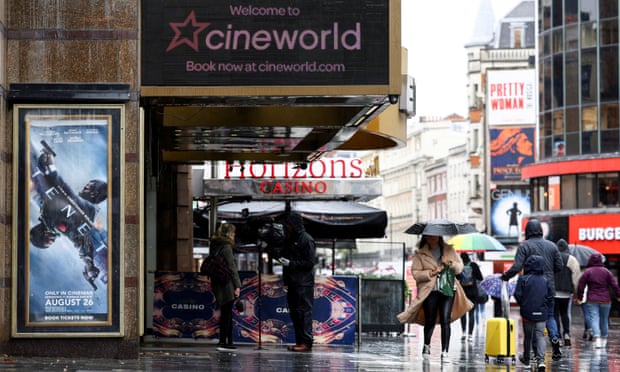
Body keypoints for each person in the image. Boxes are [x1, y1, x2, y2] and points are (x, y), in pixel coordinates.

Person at [30, 143, 109, 289]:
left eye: (89, 187)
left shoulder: (57, 220)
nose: (86, 187)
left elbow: (81, 238)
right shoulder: (50, 213)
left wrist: (89, 262)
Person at [396, 234, 473, 359]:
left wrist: (450, 264)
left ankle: (445, 351)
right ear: (425, 238)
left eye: (434, 236)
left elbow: (459, 268)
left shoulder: (449, 249)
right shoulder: (420, 253)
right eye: (429, 237)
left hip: (448, 287)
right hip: (430, 290)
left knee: (445, 319)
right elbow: (416, 273)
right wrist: (431, 273)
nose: (432, 238)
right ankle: (426, 345)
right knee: (430, 320)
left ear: (439, 236)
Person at [501, 218, 563, 360]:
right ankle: (554, 338)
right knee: (550, 316)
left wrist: (505, 276)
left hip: (531, 288)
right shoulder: (552, 246)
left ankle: (535, 354)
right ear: (541, 230)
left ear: (528, 231)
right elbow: (559, 267)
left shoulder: (524, 246)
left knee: (533, 320)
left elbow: (517, 267)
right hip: (549, 287)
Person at [278, 212, 316, 352]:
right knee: (295, 313)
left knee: (303, 313)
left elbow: (310, 263)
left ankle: (306, 342)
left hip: (303, 284)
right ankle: (300, 341)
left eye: (288, 224)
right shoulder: (291, 238)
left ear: (293, 224)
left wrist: (291, 263)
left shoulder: (306, 239)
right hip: (294, 282)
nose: (286, 227)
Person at [514, 255, 553, 371]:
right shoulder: (545, 279)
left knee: (528, 336)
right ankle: (541, 361)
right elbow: (550, 296)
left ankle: (526, 357)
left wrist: (524, 304)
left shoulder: (523, 279)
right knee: (540, 335)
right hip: (542, 312)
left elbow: (517, 294)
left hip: (527, 312)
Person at [208, 223, 241, 351]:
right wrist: (237, 285)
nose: (234, 235)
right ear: (228, 234)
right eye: (233, 233)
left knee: (225, 312)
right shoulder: (226, 247)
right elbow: (232, 267)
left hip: (217, 281)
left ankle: (224, 340)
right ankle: (227, 341)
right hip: (227, 283)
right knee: (227, 313)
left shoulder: (214, 244)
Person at [576, 253, 620, 349]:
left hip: (592, 299)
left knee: (594, 318)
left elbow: (581, 285)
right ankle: (604, 339)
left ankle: (597, 338)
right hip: (606, 300)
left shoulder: (588, 272)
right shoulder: (607, 272)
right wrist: (618, 295)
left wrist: (579, 297)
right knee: (604, 320)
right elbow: (615, 285)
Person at [553, 239, 581, 347]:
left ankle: (557, 337)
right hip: (566, 292)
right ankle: (567, 334)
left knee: (554, 314)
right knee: (565, 313)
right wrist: (576, 291)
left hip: (554, 292)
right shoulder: (572, 259)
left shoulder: (552, 258)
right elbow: (576, 277)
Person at [457, 252, 483, 342]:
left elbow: (456, 278)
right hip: (473, 293)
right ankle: (470, 335)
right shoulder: (474, 265)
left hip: (463, 293)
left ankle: (463, 332)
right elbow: (480, 277)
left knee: (463, 313)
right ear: (468, 257)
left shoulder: (459, 266)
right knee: (471, 314)